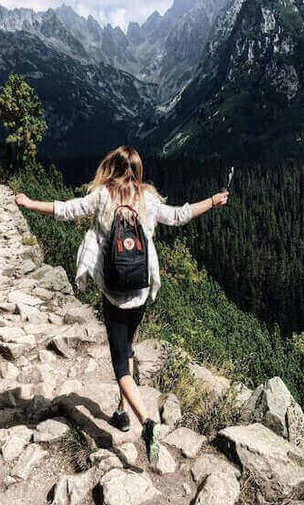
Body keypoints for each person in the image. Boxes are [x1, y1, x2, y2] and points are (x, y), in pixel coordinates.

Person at [14, 146, 229, 463]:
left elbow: (66, 209)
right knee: (128, 347)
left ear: (111, 168)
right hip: (140, 290)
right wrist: (213, 200)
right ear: (138, 170)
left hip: (113, 293)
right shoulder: (148, 199)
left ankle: (146, 422)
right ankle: (120, 411)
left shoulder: (103, 196)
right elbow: (180, 216)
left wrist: (30, 203)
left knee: (119, 366)